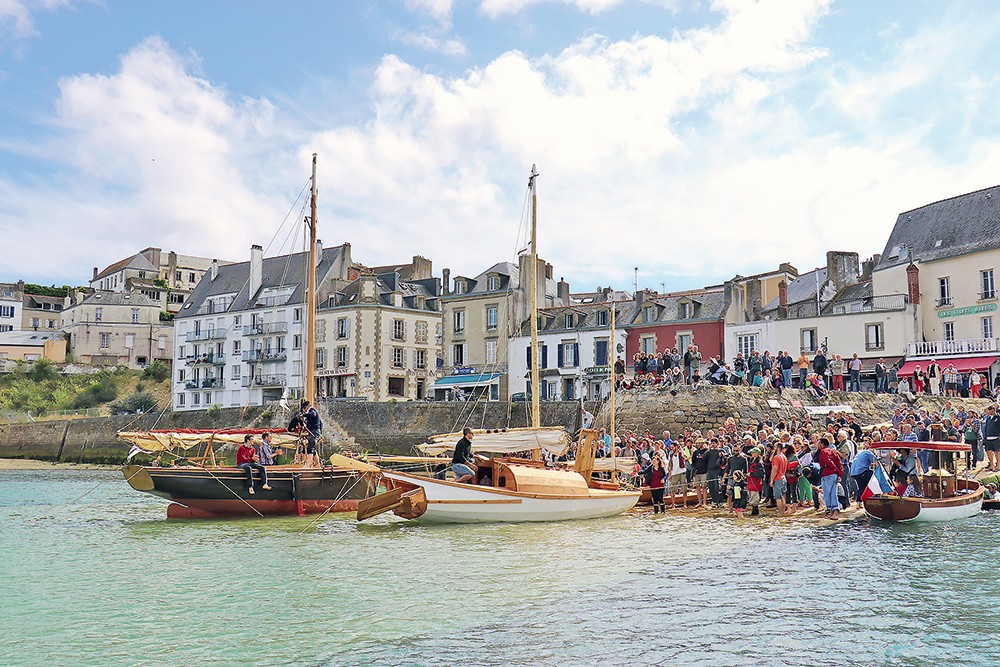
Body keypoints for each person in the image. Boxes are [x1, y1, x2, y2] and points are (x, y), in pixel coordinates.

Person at [818, 436, 843, 519]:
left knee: (827, 494)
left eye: (819, 443)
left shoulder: (823, 451)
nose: (817, 444)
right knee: (833, 493)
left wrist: (835, 470)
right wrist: (839, 473)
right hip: (834, 475)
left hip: (827, 474)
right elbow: (838, 462)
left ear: (822, 444)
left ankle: (830, 510)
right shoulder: (833, 451)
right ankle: (835, 510)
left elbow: (828, 461)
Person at [850, 442, 878, 509]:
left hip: (854, 473)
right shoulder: (869, 453)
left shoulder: (861, 453)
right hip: (861, 472)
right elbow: (876, 462)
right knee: (872, 481)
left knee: (861, 487)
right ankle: (871, 499)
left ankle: (859, 502)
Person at [770, 443, 788, 516]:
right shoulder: (784, 456)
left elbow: (775, 469)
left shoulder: (777, 457)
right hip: (783, 477)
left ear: (777, 447)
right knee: (783, 496)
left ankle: (780, 513)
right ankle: (782, 512)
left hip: (778, 478)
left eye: (774, 447)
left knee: (778, 498)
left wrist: (771, 480)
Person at [982, 405, 1000, 472]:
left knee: (997, 452)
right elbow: (986, 428)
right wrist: (985, 437)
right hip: (988, 437)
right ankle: (992, 466)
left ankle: (998, 466)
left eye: (992, 410)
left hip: (996, 437)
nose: (991, 412)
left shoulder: (998, 417)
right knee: (988, 451)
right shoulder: (988, 418)